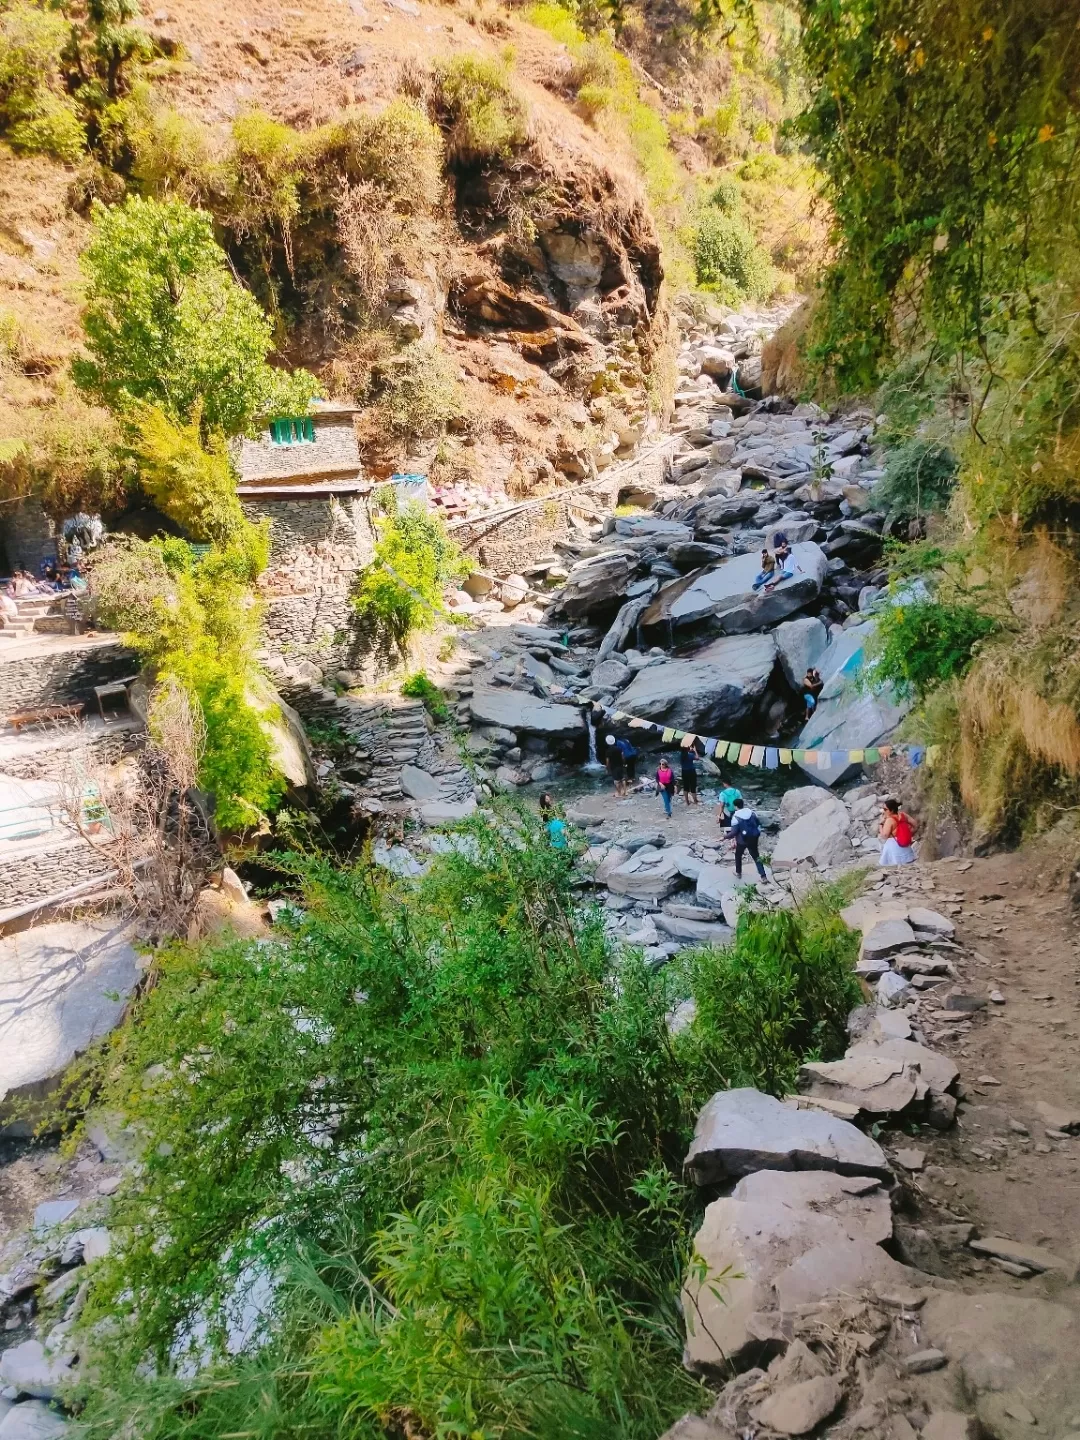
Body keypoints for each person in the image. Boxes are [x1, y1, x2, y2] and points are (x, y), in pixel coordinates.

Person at [730, 799, 768, 882]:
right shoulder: (751, 812)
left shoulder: (736, 817)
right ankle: (763, 876)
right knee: (756, 856)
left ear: (735, 806)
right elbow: (758, 823)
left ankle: (738, 873)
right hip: (753, 838)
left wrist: (724, 837)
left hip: (742, 841)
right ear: (743, 804)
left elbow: (733, 832)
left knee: (738, 855)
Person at [879, 798, 916, 865]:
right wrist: (909, 834)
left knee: (894, 867)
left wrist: (881, 825)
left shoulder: (890, 820)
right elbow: (915, 824)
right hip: (906, 846)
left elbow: (884, 836)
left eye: (885, 809)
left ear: (892, 810)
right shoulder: (903, 815)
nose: (883, 811)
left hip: (894, 847)